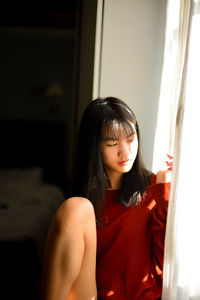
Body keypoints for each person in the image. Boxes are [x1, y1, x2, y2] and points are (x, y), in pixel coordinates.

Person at [40, 97, 172, 300]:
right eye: (112, 143)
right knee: (76, 207)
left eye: (130, 139)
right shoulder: (85, 201)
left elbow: (167, 268)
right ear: (94, 147)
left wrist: (164, 192)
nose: (126, 152)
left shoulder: (155, 188)